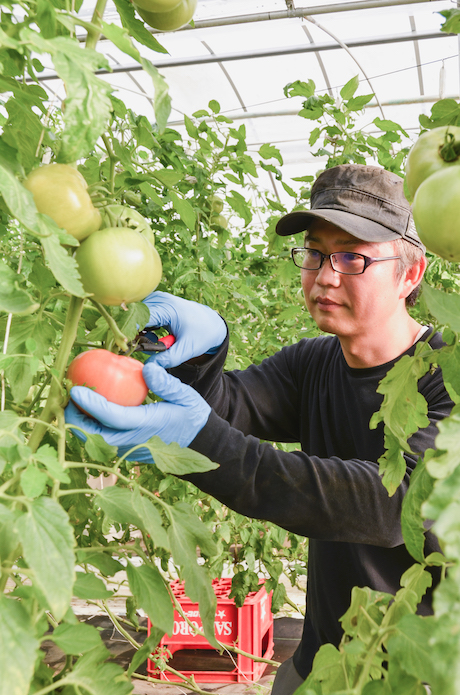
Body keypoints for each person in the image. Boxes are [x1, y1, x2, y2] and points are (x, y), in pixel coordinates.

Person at [65, 164, 453, 693]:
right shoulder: (314, 364)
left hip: (421, 675)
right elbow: (231, 406)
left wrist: (200, 439)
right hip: (320, 661)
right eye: (315, 254)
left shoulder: (447, 377)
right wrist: (205, 353)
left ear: (411, 274)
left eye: (351, 257)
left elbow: (395, 504)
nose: (325, 276)